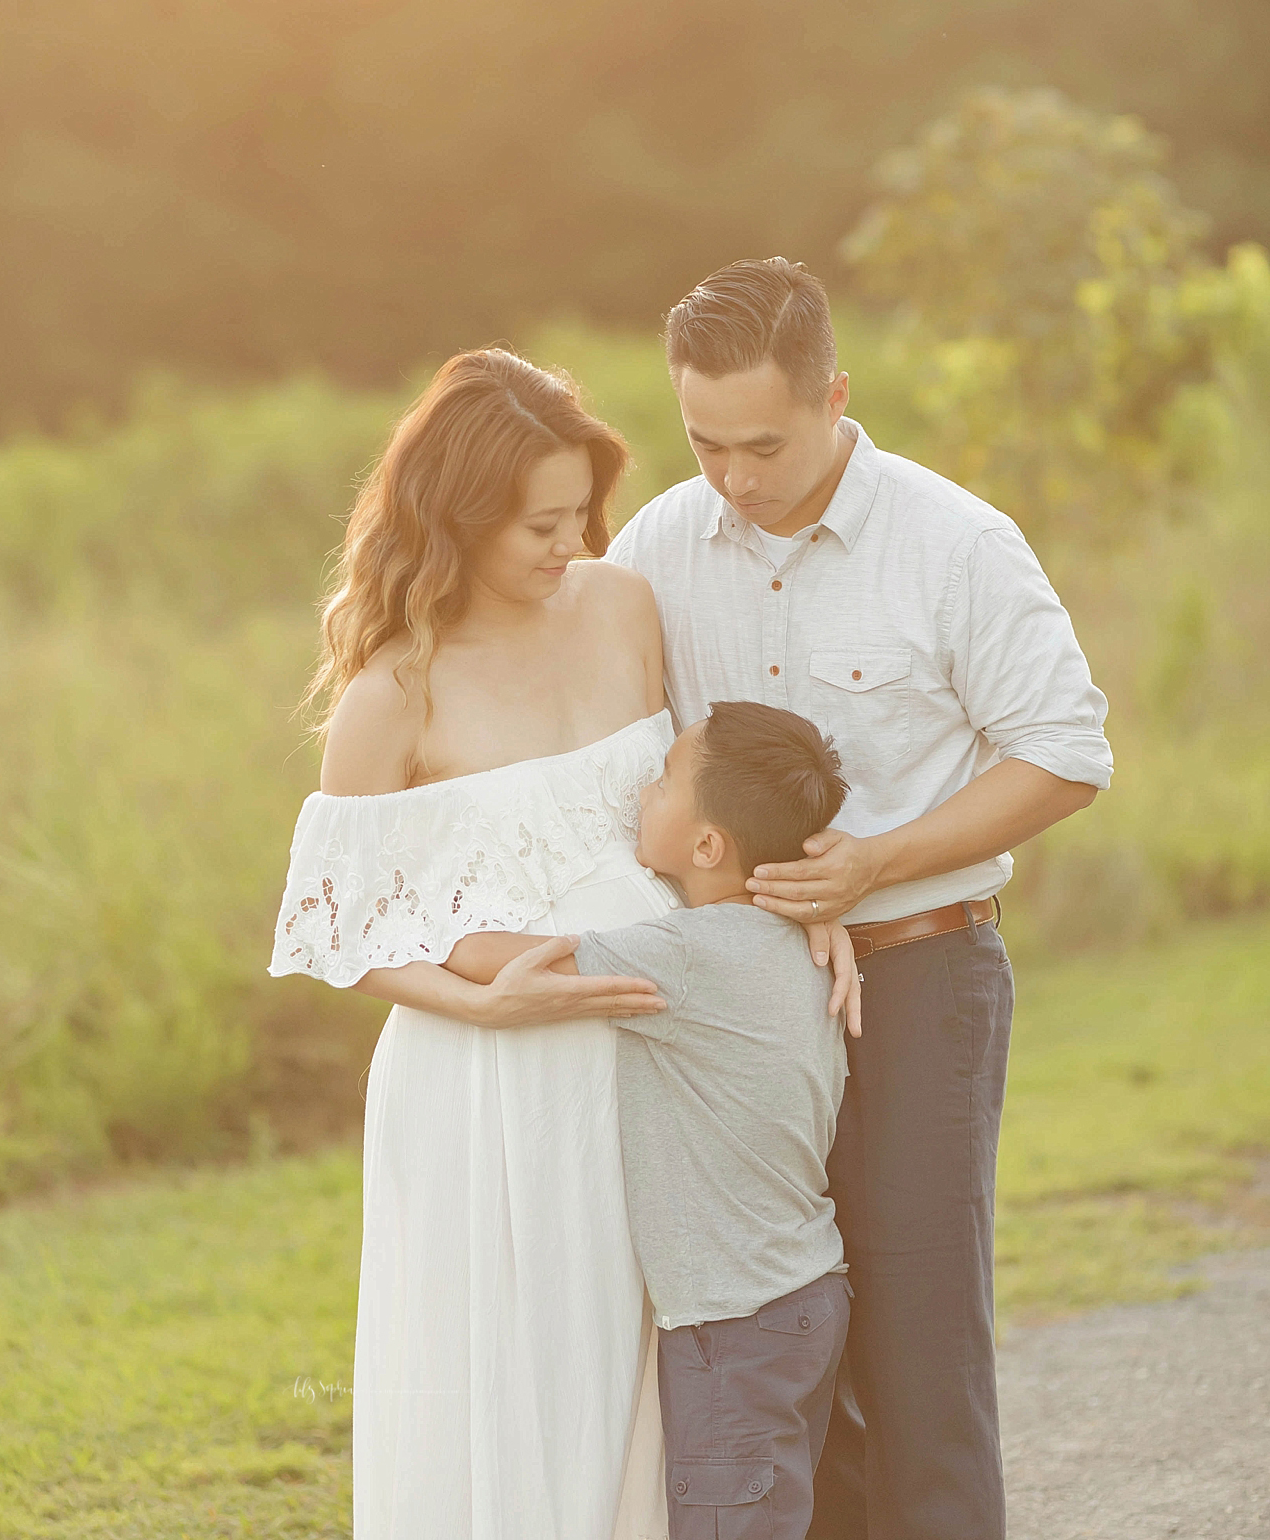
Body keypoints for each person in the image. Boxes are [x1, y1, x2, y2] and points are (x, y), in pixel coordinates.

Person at [269, 347, 859, 1540]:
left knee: (649, 1377)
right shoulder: (394, 693)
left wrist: (811, 894)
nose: (571, 544)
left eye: (581, 514)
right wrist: (473, 1006)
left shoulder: (623, 607)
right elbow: (340, 932)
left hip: (655, 1072)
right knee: (522, 1385)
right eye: (540, 524)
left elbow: (712, 809)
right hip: (489, 1092)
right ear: (458, 517)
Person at [607, 259, 1114, 1540]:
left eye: (764, 442)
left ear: (837, 394)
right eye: (705, 443)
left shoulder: (957, 544)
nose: (734, 476)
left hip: (916, 976)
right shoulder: (659, 545)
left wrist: (870, 864)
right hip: (736, 1015)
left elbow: (1064, 754)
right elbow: (616, 754)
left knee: (918, 1346)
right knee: (788, 1342)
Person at [448, 700, 854, 1540]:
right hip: (804, 1292)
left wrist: (407, 922)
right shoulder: (794, 942)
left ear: (709, 847)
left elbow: (498, 960)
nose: (643, 787)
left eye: (664, 777)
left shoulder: (687, 955)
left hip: (734, 1321)